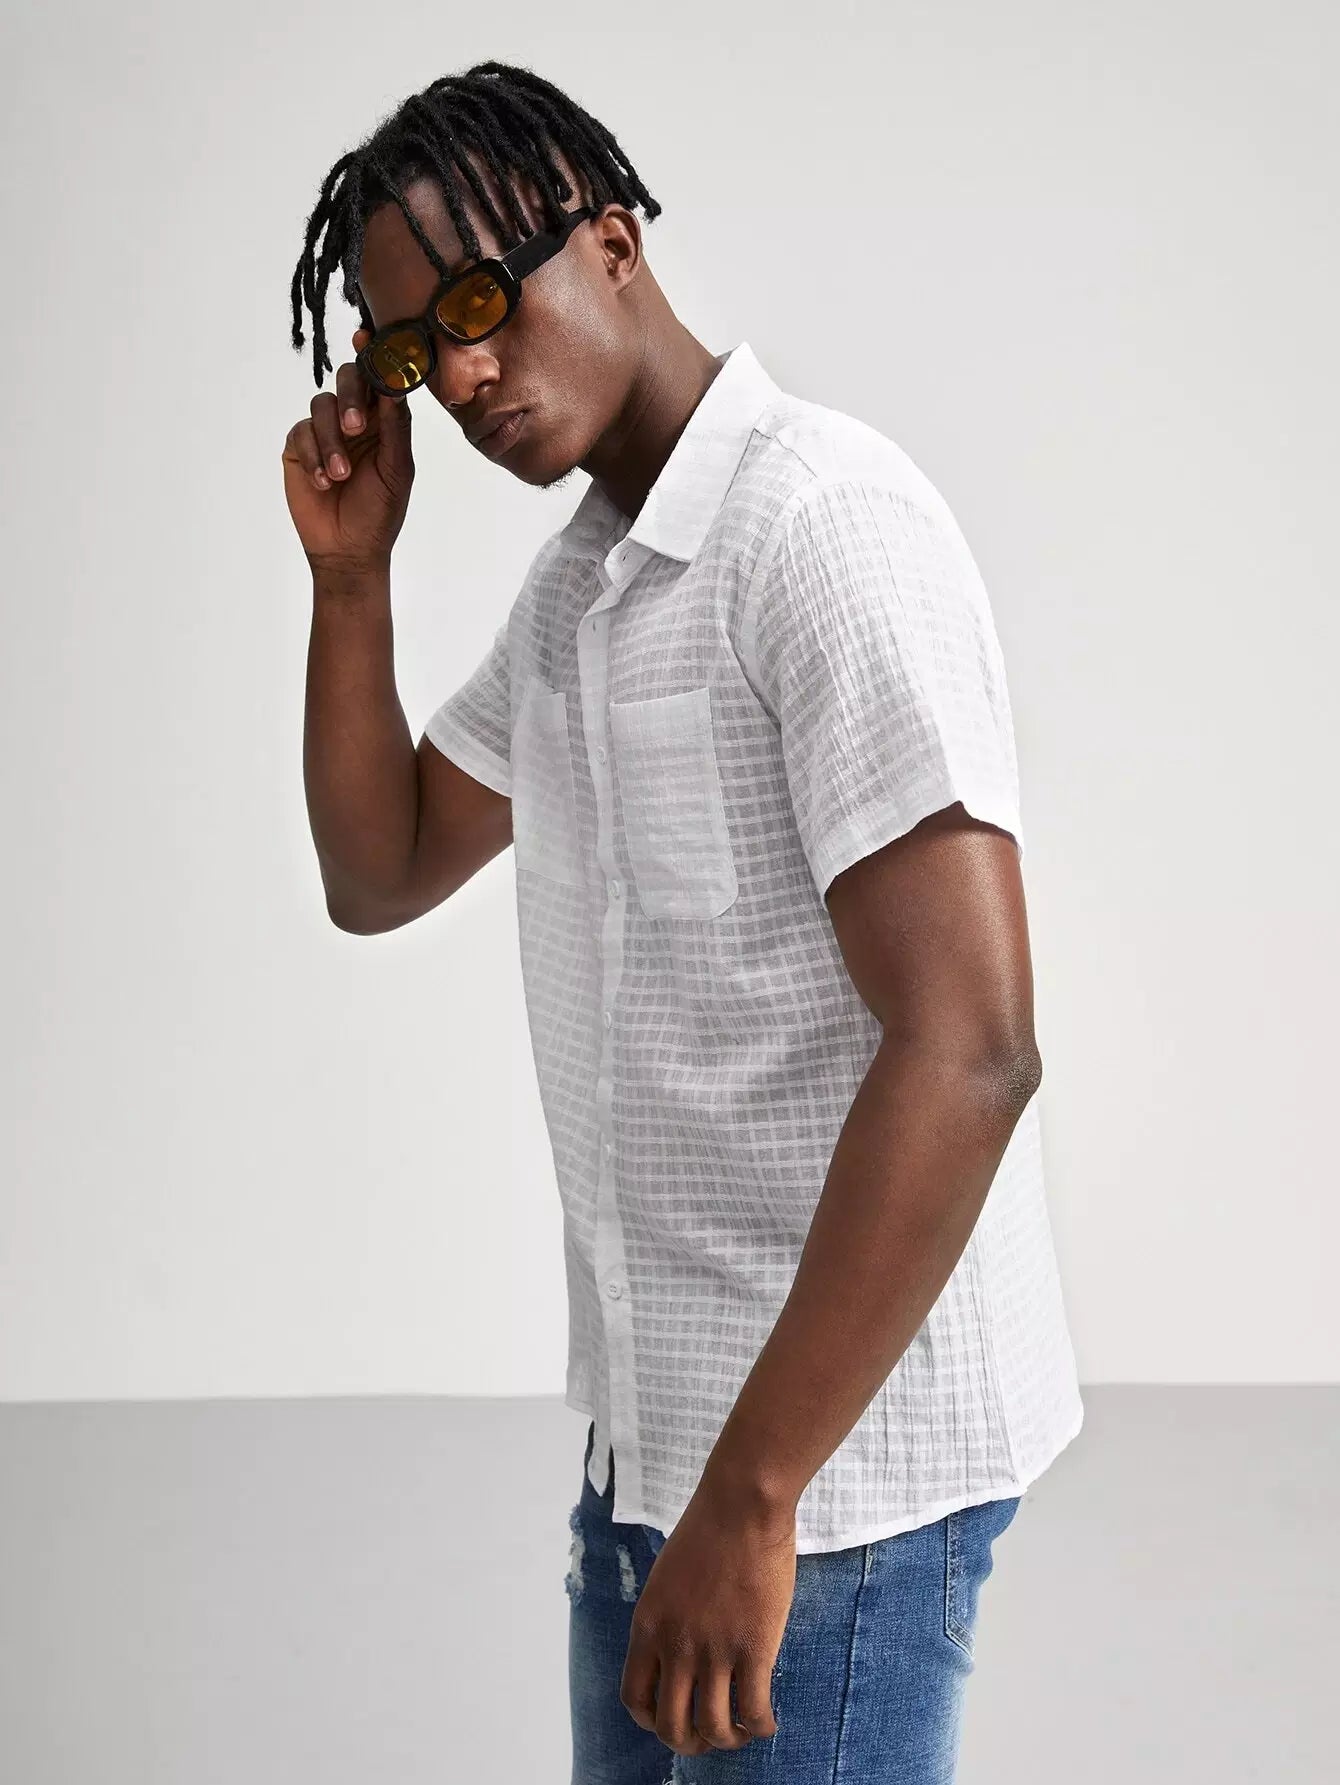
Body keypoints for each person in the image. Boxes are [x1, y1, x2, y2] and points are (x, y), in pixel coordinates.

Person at [282, 58, 1084, 1784]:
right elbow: (382, 867)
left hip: (832, 1491)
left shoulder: (823, 528)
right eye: (416, 349)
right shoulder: (585, 584)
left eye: (481, 302)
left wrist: (757, 1495)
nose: (463, 376)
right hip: (660, 1454)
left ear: (615, 242)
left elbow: (973, 1045)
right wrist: (352, 581)